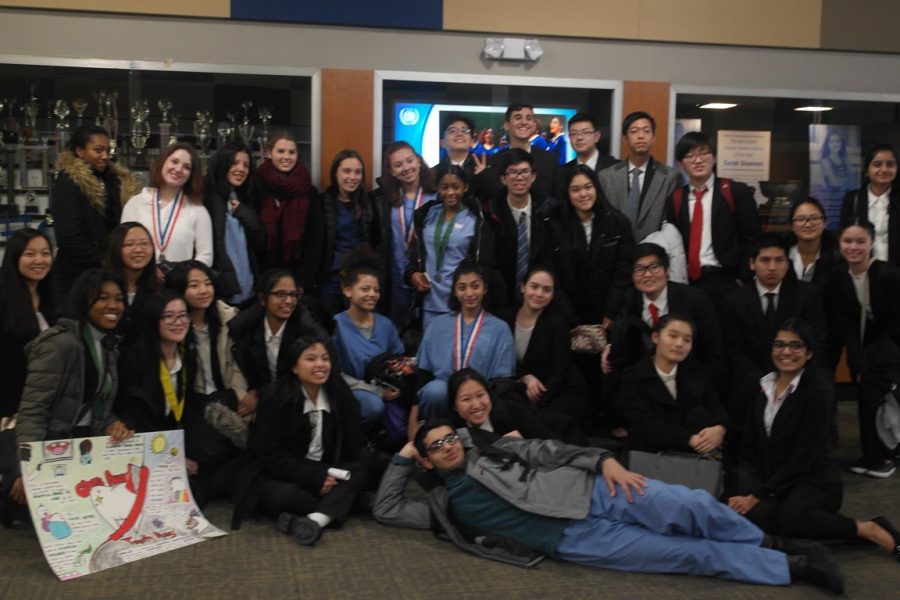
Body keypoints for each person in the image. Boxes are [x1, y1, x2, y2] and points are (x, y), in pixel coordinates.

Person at [373, 419, 845, 593]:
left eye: (449, 437)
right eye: (435, 446)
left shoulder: (490, 446)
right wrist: (403, 454)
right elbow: (387, 509)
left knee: (691, 506)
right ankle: (795, 566)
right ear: (430, 461)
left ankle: (772, 541)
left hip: (592, 489)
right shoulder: (441, 508)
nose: (449, 446)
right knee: (688, 555)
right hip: (574, 540)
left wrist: (603, 463)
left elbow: (547, 449)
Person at [730, 319, 900, 560]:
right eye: (779, 344)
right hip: (777, 481)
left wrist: (757, 495)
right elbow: (750, 445)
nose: (786, 351)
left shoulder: (818, 391)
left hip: (815, 479)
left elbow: (804, 457)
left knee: (791, 518)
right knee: (756, 516)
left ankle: (869, 529)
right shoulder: (762, 386)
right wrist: (749, 489)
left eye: (795, 346)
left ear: (809, 353)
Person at [12, 270, 133, 507]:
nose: (113, 305)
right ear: (83, 300)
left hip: (87, 445)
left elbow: (95, 400)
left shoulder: (109, 345)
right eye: (102, 298)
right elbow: (33, 412)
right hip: (54, 449)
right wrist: (26, 469)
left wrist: (112, 422)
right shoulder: (60, 344)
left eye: (119, 299)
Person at [245, 336, 368, 545]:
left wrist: (327, 473)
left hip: (328, 469)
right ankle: (346, 504)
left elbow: (352, 445)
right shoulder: (276, 397)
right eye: (311, 359)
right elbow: (271, 456)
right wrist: (314, 476)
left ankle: (314, 521)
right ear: (294, 367)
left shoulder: (339, 392)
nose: (320, 365)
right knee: (285, 497)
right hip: (285, 473)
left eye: (325, 359)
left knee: (362, 466)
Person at [722, 234, 828, 425]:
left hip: (798, 377)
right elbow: (735, 351)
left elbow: (817, 341)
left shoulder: (807, 294)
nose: (772, 267)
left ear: (787, 264)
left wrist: (789, 379)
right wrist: (766, 383)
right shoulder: (734, 301)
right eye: (765, 260)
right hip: (753, 379)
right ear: (752, 264)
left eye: (779, 260)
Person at [829, 221, 900, 478]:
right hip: (864, 346)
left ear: (872, 243)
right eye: (848, 241)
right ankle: (871, 453)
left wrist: (883, 352)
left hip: (891, 346)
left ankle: (886, 456)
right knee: (865, 399)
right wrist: (855, 358)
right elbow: (846, 323)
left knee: (881, 400)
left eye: (861, 241)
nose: (854, 247)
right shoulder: (838, 277)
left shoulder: (887, 273)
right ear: (839, 243)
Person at [604, 243, 726, 395]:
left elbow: (714, 350)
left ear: (667, 270)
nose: (647, 275)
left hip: (690, 381)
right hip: (645, 386)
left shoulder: (695, 299)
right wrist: (611, 347)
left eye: (654, 267)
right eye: (639, 269)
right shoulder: (628, 300)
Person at [665, 131, 761, 311]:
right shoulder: (676, 199)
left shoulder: (734, 191)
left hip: (726, 280)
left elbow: (753, 238)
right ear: (681, 164)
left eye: (703, 153)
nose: (698, 160)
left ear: (714, 158)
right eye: (690, 155)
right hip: (688, 282)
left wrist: (743, 278)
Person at [413, 261, 514, 424]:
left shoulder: (500, 329)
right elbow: (423, 375)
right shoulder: (437, 325)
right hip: (444, 395)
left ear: (485, 288)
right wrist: (413, 417)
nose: (469, 293)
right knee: (434, 391)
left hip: (479, 400)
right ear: (454, 291)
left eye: (475, 286)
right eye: (462, 287)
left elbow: (501, 380)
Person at [617, 314, 728, 454]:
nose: (680, 344)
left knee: (699, 414)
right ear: (655, 337)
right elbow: (643, 424)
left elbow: (715, 406)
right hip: (651, 452)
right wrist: (689, 439)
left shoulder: (696, 372)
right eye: (673, 336)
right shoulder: (633, 376)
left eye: (687, 340)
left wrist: (720, 428)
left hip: (695, 451)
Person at [52, 125, 141, 299]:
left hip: (107, 273)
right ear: (80, 151)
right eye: (98, 150)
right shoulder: (67, 182)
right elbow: (69, 236)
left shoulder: (114, 180)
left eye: (108, 150)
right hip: (76, 275)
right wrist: (105, 261)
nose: (105, 156)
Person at [407, 166, 499, 328]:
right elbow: (418, 252)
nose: (450, 192)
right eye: (444, 187)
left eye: (456, 187)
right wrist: (413, 273)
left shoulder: (475, 219)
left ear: (465, 187)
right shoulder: (427, 214)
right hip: (430, 299)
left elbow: (483, 263)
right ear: (437, 188)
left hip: (462, 299)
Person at [543, 165, 633, 328]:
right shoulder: (553, 225)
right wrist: (569, 318)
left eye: (588, 187)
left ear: (597, 188)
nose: (583, 194)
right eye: (575, 189)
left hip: (608, 316)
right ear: (567, 193)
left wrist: (610, 312)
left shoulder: (617, 223)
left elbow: (623, 273)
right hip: (565, 316)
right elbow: (551, 274)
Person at [499, 267, 587, 424]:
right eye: (534, 286)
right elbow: (502, 361)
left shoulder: (558, 322)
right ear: (523, 287)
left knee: (538, 420)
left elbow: (560, 372)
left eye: (546, 290)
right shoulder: (505, 319)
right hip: (523, 388)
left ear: (552, 295)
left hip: (559, 391)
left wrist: (538, 400)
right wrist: (525, 377)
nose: (539, 294)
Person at [228, 269, 329, 407]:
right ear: (263, 299)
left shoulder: (307, 330)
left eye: (294, 295)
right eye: (280, 294)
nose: (289, 301)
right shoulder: (248, 329)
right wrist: (254, 390)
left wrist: (262, 396)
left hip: (299, 398)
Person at [332, 259, 405, 432]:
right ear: (347, 290)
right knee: (373, 405)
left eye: (376, 290)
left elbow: (400, 360)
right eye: (365, 289)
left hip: (385, 389)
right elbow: (334, 374)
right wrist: (376, 392)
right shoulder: (336, 326)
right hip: (349, 390)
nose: (372, 294)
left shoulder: (385, 324)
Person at [372, 141, 436, 325]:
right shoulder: (384, 199)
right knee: (396, 331)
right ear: (391, 171)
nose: (406, 168)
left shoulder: (436, 195)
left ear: (418, 161)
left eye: (409, 161)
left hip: (426, 277)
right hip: (395, 279)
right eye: (398, 165)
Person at [120, 142, 212, 266]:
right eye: (174, 161)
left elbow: (205, 257)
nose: (178, 169)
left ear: (191, 175)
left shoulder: (198, 210)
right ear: (163, 162)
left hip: (180, 283)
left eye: (187, 167)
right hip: (141, 281)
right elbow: (123, 247)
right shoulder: (135, 203)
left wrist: (184, 275)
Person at [597, 111, 680, 241]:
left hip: (653, 252)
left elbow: (670, 223)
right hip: (615, 252)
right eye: (634, 131)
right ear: (625, 138)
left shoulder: (669, 177)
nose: (641, 136)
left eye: (646, 131)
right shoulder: (606, 176)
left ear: (653, 138)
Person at [0, 229, 55, 421]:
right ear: (15, 257)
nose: (39, 260)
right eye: (30, 254)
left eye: (46, 253)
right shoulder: (4, 301)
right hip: (12, 410)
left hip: (47, 407)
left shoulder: (53, 300)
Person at [255, 131, 321, 290]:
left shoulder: (309, 191)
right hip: (264, 275)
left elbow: (315, 240)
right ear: (269, 153)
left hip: (298, 275)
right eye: (281, 151)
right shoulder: (257, 186)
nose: (287, 157)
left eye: (292, 152)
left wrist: (302, 281)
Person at [489, 149, 554, 307]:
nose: (519, 177)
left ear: (533, 177)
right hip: (503, 299)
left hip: (540, 297)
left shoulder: (549, 211)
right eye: (513, 172)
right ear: (503, 179)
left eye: (525, 171)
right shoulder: (491, 214)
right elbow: (490, 263)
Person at [204, 141, 265, 307]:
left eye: (246, 165)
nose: (241, 169)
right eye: (235, 163)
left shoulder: (247, 197)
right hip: (222, 294)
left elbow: (260, 240)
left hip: (249, 290)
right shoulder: (207, 197)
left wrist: (243, 212)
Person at [317, 149, 376, 313]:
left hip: (359, 279)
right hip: (330, 278)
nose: (352, 177)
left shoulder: (368, 203)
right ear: (335, 173)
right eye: (346, 171)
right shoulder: (323, 203)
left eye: (358, 172)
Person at [448, 368, 556, 440]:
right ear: (454, 406)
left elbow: (551, 445)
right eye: (466, 399)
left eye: (480, 395)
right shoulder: (454, 434)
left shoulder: (513, 411)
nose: (476, 405)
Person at [840, 143, 899, 266]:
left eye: (890, 164)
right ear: (867, 170)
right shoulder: (853, 199)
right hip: (862, 271)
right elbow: (845, 238)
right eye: (877, 164)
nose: (884, 169)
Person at [489, 104, 558, 200]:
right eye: (518, 118)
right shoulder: (496, 161)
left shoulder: (549, 160)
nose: (524, 122)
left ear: (534, 125)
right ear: (507, 125)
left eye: (529, 118)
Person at [104, 222, 157, 345]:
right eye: (129, 244)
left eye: (145, 243)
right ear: (115, 248)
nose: (138, 250)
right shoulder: (99, 285)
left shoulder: (158, 288)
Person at [432, 113, 498, 207]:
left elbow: (499, 196)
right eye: (452, 130)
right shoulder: (434, 173)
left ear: (471, 141)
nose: (459, 134)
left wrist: (486, 177)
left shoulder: (488, 164)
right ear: (442, 142)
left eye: (464, 130)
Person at [553, 112, 619, 205]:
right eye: (574, 133)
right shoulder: (562, 172)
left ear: (597, 136)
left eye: (585, 132)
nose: (579, 137)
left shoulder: (614, 168)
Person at [787, 197, 841, 287]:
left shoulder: (837, 256)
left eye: (814, 218)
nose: (808, 224)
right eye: (800, 219)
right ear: (791, 225)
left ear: (825, 223)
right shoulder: (783, 254)